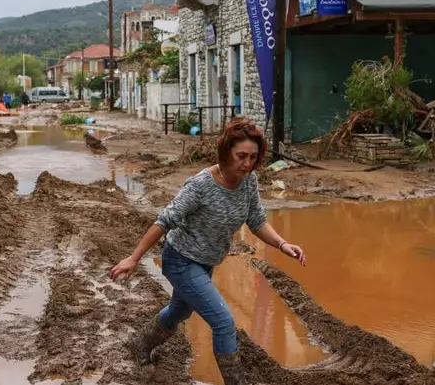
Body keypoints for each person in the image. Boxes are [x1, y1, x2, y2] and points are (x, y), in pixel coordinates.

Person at [109, 117, 307, 385]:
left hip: (205, 262)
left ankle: (141, 344)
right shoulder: (201, 185)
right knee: (223, 321)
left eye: (253, 157)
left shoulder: (249, 182)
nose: (247, 163)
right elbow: (164, 220)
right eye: (241, 156)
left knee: (180, 311)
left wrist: (283, 244)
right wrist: (133, 258)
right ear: (226, 152)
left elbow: (257, 220)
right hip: (180, 259)